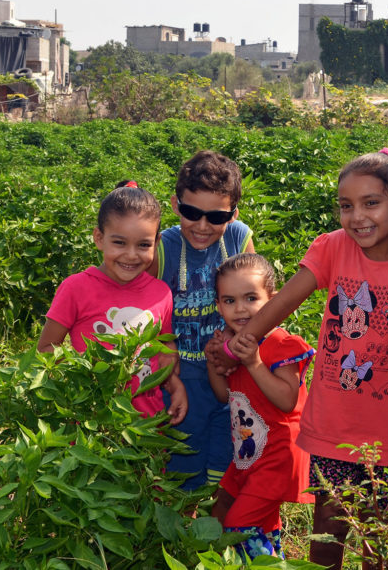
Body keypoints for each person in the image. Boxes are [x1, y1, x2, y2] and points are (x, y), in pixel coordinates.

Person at [206, 149, 388, 570]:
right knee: (327, 534)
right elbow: (287, 298)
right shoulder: (332, 248)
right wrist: (247, 341)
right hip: (333, 423)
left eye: (371, 203)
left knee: (378, 540)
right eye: (346, 206)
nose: (357, 216)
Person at [37, 180, 187, 423]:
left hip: (146, 420)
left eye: (143, 245)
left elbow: (165, 346)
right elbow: (46, 348)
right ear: (99, 238)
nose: (130, 254)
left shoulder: (161, 293)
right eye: (119, 242)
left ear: (157, 243)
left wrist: (174, 384)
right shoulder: (76, 288)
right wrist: (83, 378)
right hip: (91, 419)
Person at [152, 150, 256, 490]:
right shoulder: (162, 247)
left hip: (231, 369)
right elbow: (149, 313)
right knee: (185, 458)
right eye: (191, 212)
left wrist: (234, 346)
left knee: (229, 456)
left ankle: (219, 525)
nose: (201, 225)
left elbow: (257, 300)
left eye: (215, 217)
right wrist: (169, 370)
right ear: (175, 204)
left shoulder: (239, 238)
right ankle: (186, 531)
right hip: (183, 375)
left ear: (233, 213)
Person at [206, 252, 315, 560]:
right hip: (249, 453)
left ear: (273, 300)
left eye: (251, 297)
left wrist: (253, 362)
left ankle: (261, 563)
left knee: (238, 524)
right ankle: (269, 558)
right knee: (221, 508)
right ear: (218, 305)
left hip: (279, 454)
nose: (240, 308)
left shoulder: (282, 343)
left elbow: (286, 399)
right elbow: (223, 397)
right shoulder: (232, 345)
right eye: (229, 301)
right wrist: (215, 362)